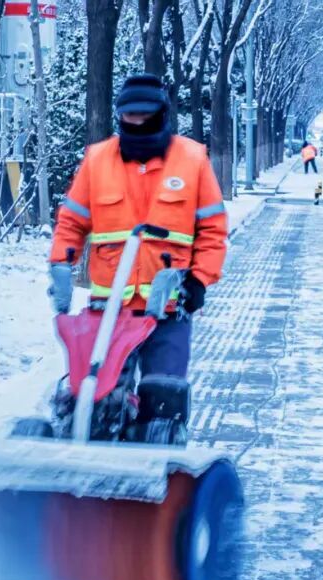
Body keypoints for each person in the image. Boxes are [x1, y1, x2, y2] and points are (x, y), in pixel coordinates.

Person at [47, 74, 227, 380]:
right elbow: (72, 222)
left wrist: (198, 280)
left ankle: (162, 428)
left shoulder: (192, 159)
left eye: (145, 113)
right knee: (101, 396)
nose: (138, 121)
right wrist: (61, 266)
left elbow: (212, 230)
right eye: (131, 114)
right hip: (109, 310)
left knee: (163, 395)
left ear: (162, 113)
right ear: (120, 114)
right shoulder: (98, 160)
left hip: (168, 307)